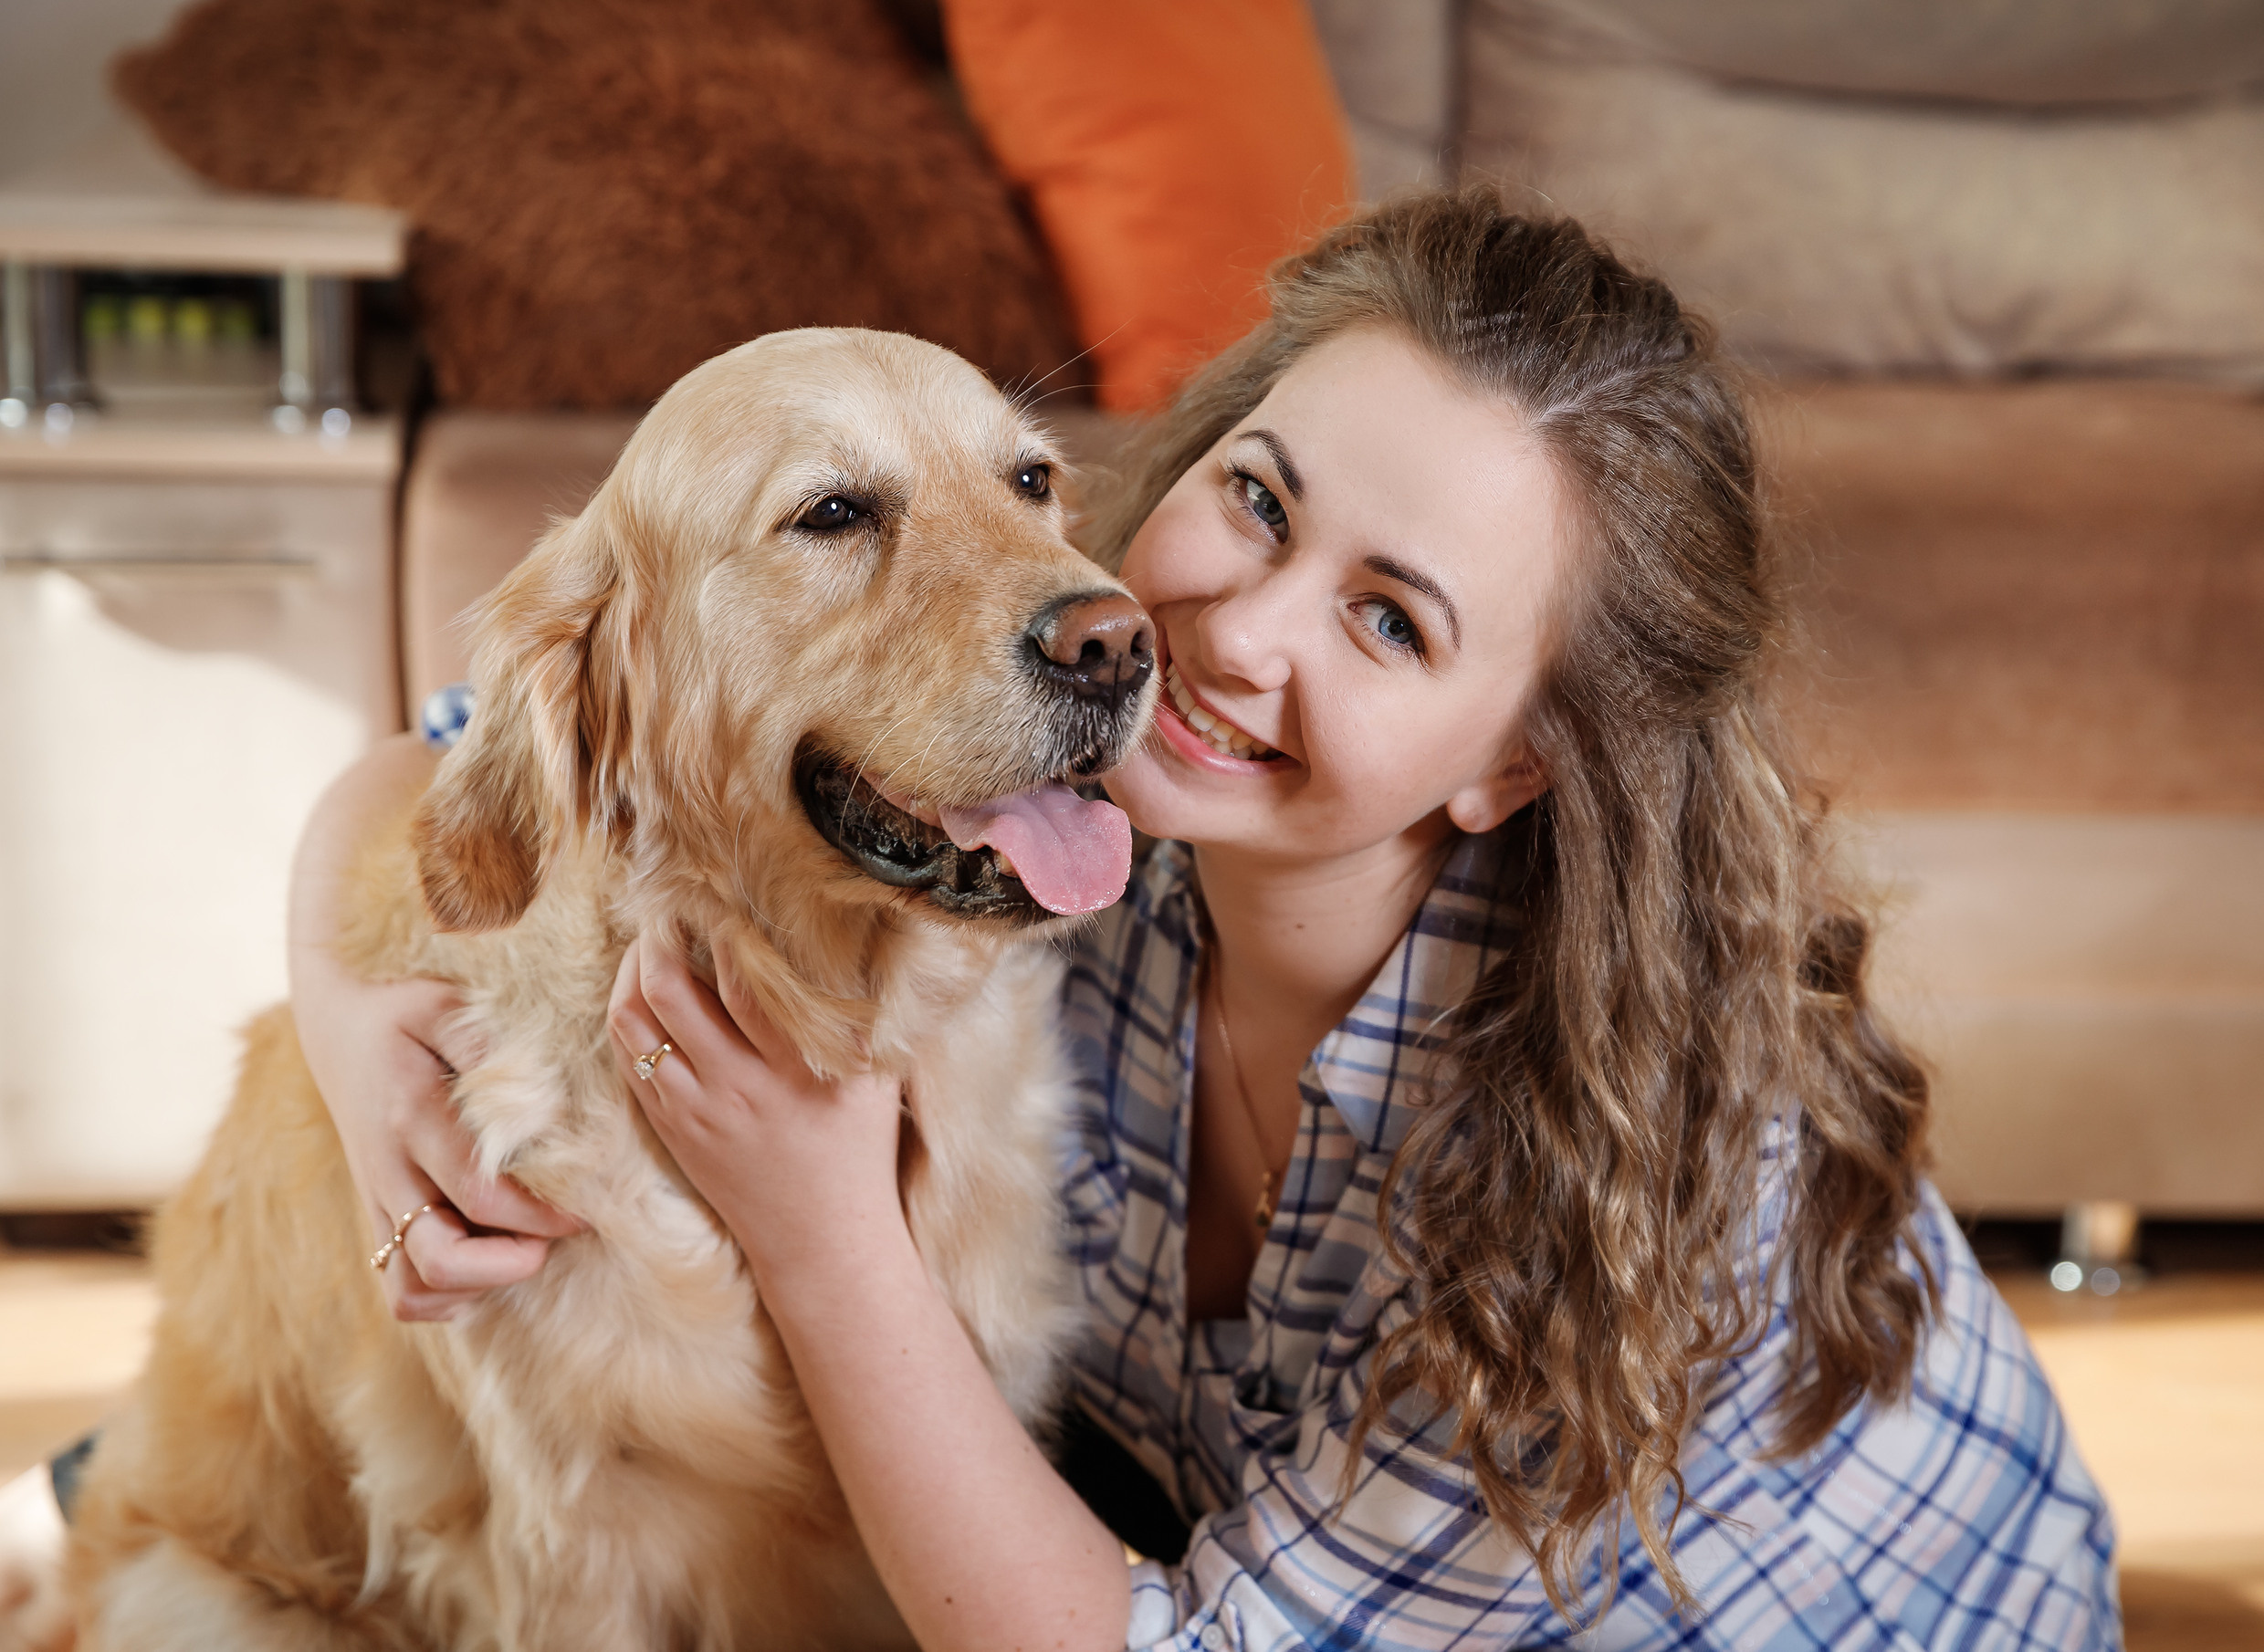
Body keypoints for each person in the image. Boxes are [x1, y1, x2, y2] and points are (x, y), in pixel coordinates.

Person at [284, 192, 2120, 1648]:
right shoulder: (1077, 817)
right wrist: (358, 1046)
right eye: (1253, 500)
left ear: (1508, 769)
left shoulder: (1629, 1200)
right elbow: (481, 754)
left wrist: (827, 1229)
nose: (1228, 637)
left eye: (1391, 621)